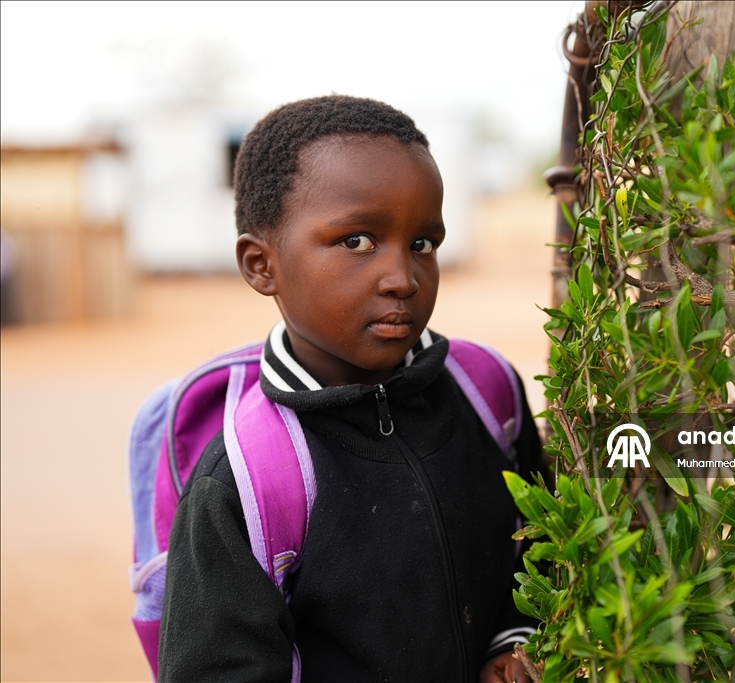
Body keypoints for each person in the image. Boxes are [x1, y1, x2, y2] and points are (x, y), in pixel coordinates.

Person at [158, 95, 544, 683]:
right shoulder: (247, 481)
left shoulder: (486, 392)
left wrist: (514, 640)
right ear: (261, 265)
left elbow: (540, 546)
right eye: (357, 241)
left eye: (423, 243)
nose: (402, 278)